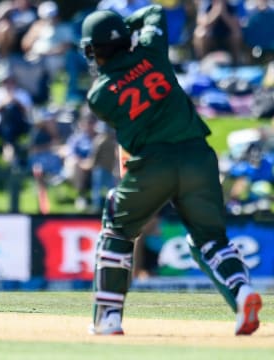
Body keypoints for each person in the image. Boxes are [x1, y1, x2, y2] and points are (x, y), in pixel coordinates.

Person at [79, 4, 262, 336]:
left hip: (152, 165)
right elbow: (154, 12)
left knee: (117, 231)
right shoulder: (151, 51)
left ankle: (107, 318)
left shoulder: (99, 95)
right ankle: (242, 292)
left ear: (93, 51)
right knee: (210, 240)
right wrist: (127, 26)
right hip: (198, 156)